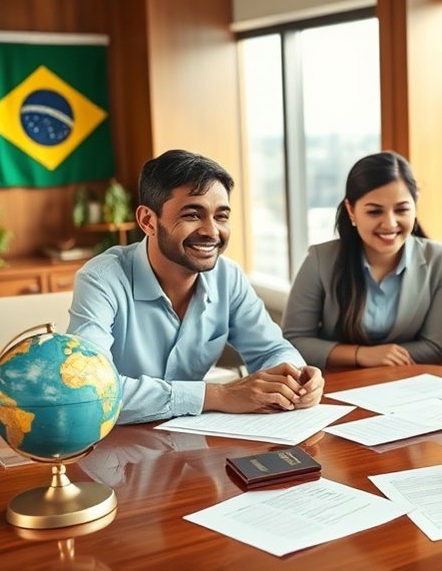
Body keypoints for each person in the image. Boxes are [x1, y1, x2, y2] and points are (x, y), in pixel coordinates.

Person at [68, 149, 324, 425]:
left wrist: (295, 378)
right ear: (148, 221)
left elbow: (271, 350)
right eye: (192, 215)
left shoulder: (228, 276)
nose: (211, 231)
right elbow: (89, 387)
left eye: (221, 216)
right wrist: (218, 395)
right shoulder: (101, 279)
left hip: (193, 435)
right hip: (118, 440)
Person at [282, 151, 442, 368]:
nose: (390, 223)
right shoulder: (319, 260)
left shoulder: (440, 260)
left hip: (406, 381)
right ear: (351, 211)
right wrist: (359, 354)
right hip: (338, 381)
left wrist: (386, 357)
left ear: (415, 205)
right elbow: (294, 340)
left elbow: (435, 347)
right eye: (374, 212)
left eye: (402, 209)